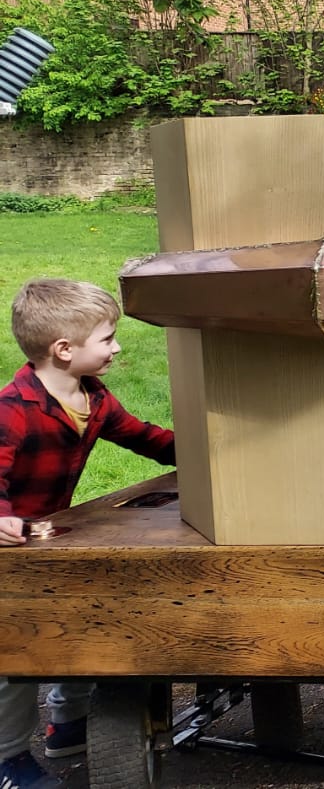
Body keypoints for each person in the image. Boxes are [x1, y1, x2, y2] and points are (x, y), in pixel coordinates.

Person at [1, 279, 177, 789]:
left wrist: (203, 450)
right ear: (63, 350)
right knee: (18, 654)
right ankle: (7, 758)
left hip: (52, 538)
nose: (117, 347)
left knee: (77, 630)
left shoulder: (92, 398)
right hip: (9, 550)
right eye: (107, 338)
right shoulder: (13, 408)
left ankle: (67, 725)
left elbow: (145, 438)